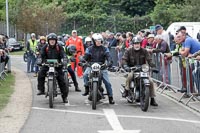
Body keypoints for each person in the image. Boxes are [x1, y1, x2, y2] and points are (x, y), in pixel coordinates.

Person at [122, 36, 158, 106]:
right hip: (133, 68)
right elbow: (124, 59)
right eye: (135, 43)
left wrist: (153, 66)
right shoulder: (129, 51)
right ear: (133, 44)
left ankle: (153, 98)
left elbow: (149, 59)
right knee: (129, 77)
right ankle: (126, 90)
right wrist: (126, 66)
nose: (137, 45)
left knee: (150, 81)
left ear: (140, 44)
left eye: (138, 43)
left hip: (143, 69)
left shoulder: (144, 51)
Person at [81, 33, 115, 104]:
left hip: (102, 66)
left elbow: (108, 57)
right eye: (97, 41)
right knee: (85, 75)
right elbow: (85, 56)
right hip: (91, 66)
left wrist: (109, 62)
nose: (98, 42)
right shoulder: (89, 49)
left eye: (100, 41)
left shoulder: (105, 49)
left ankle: (110, 97)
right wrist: (82, 61)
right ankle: (87, 88)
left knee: (107, 82)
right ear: (93, 41)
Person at [37, 33, 68, 103]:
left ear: (56, 40)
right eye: (50, 40)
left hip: (57, 65)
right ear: (48, 40)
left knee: (62, 80)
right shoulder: (45, 47)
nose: (52, 41)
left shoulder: (59, 47)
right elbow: (41, 54)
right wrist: (39, 60)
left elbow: (63, 54)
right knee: (40, 74)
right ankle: (41, 89)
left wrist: (65, 60)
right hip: (47, 65)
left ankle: (64, 97)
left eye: (53, 40)